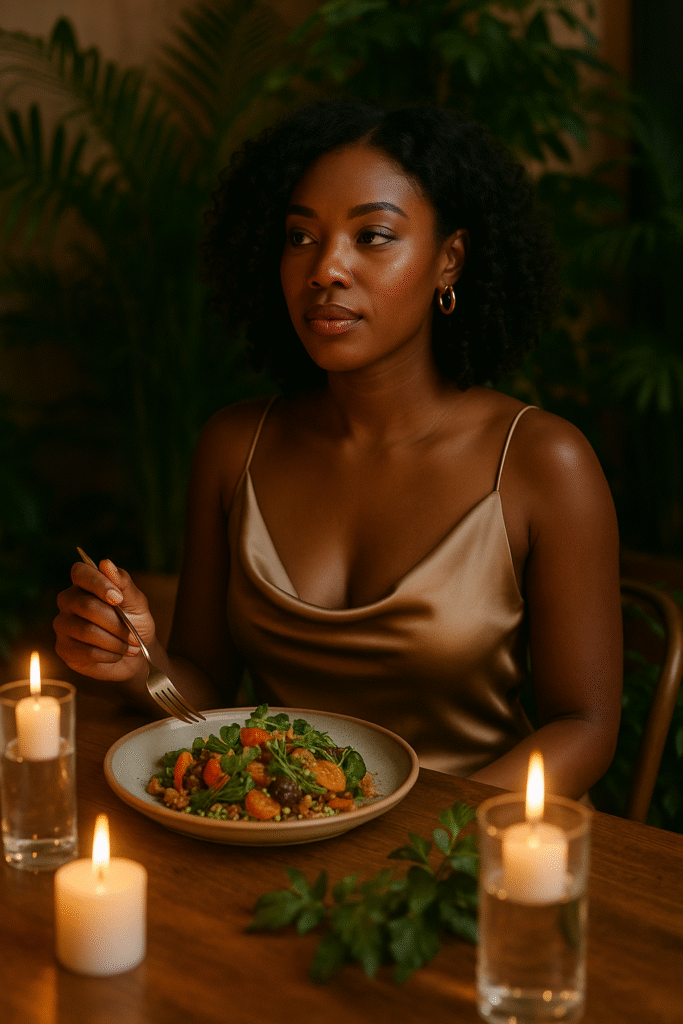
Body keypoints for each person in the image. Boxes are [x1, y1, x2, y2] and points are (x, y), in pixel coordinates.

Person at [54, 99, 623, 798]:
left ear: (450, 260)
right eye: (300, 237)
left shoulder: (541, 462)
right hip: (283, 837)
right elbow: (205, 682)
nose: (325, 268)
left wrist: (437, 835)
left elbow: (585, 725)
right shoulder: (236, 446)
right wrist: (139, 662)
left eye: (373, 236)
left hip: (471, 854)